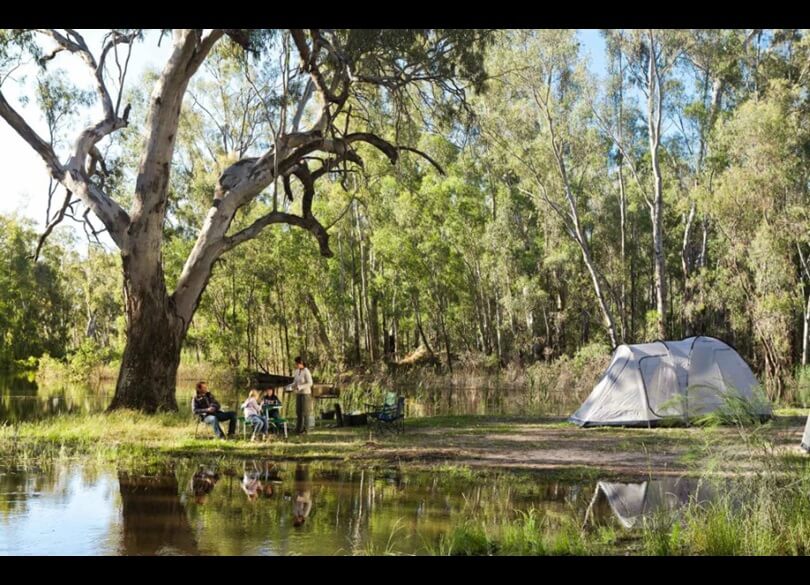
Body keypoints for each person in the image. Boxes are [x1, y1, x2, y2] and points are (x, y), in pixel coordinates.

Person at [290, 356, 313, 434]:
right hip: (298, 393)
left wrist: (300, 387)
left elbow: (310, 383)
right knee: (298, 411)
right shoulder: (296, 371)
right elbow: (295, 381)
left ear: (301, 363)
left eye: (297, 363)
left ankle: (306, 429)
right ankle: (298, 428)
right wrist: (291, 386)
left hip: (305, 394)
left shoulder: (306, 371)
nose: (296, 365)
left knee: (305, 412)